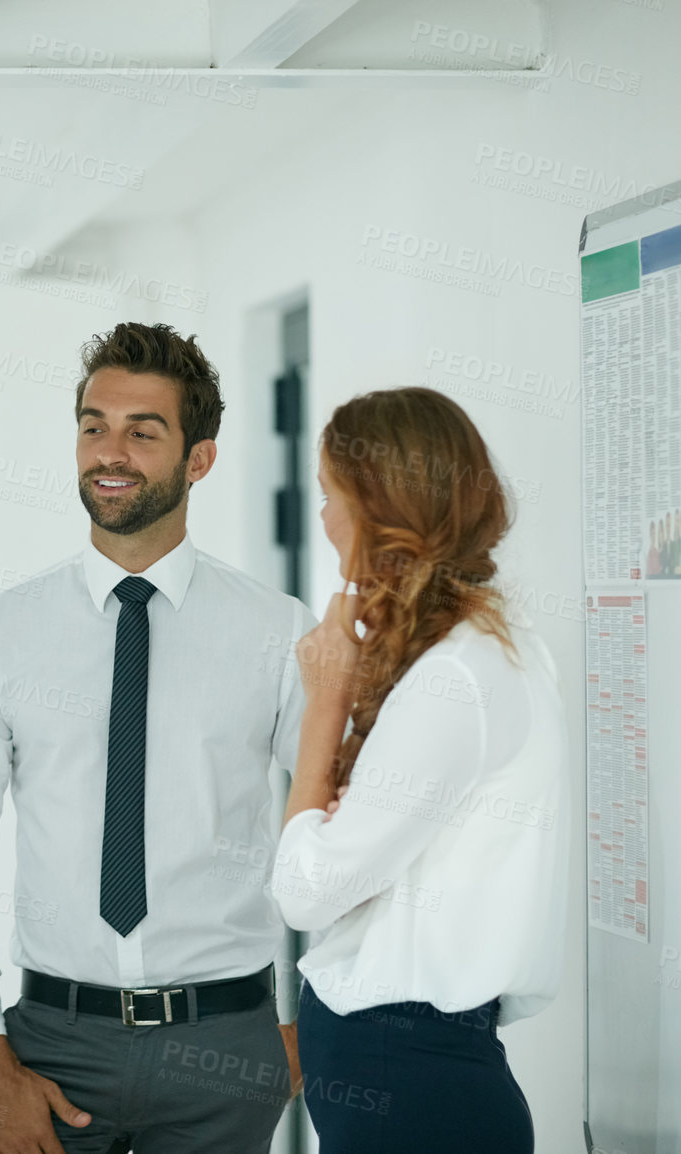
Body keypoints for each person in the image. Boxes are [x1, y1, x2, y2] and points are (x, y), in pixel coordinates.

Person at [0, 322, 314, 1154]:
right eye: (93, 424)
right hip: (50, 1042)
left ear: (198, 458)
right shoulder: (2, 634)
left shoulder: (275, 632)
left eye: (143, 431)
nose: (110, 451)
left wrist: (307, 1015)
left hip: (225, 1045)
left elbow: (337, 839)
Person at [270, 387, 568, 1154]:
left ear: (378, 511)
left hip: (406, 1087)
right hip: (415, 1080)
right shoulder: (488, 649)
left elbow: (305, 891)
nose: (326, 521)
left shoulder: (452, 678)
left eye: (332, 498)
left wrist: (324, 705)